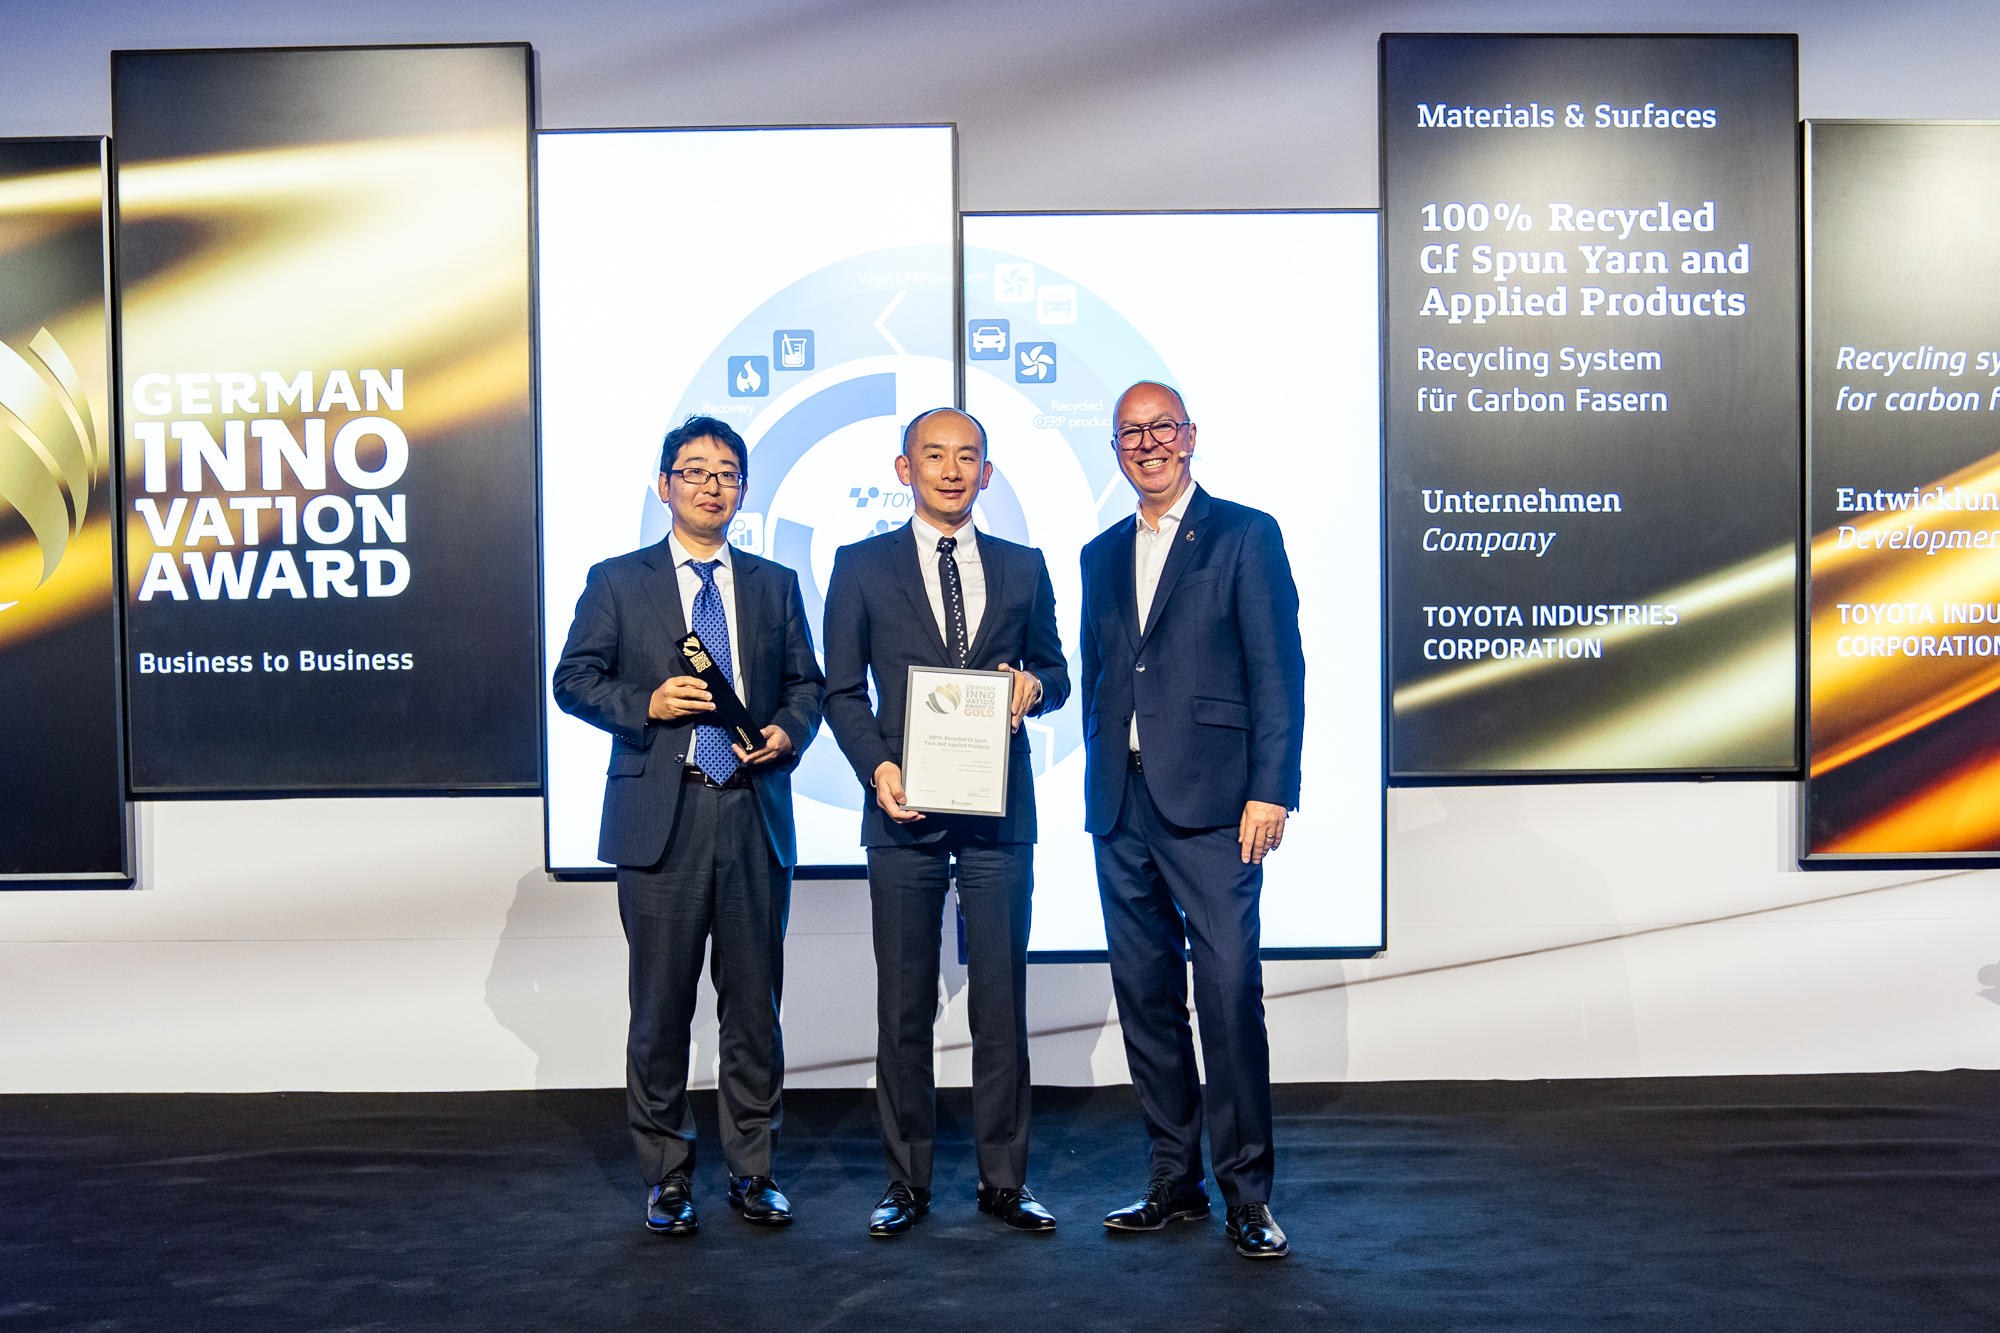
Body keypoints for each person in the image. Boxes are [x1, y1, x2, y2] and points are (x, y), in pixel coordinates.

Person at [552, 414, 824, 1236]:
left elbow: (807, 686)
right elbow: (574, 679)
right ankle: (667, 1176)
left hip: (751, 811)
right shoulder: (617, 580)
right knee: (660, 1010)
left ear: (743, 489)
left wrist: (787, 732)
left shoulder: (774, 583)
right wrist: (647, 702)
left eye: (727, 472)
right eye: (696, 470)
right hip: (659, 820)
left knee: (754, 1011)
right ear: (665, 483)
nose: (712, 484)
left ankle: (753, 1171)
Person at [822, 406, 1069, 1237]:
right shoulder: (860, 566)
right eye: (935, 455)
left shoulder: (1025, 566)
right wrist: (877, 768)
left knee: (1001, 1003)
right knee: (903, 1005)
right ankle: (907, 1181)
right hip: (904, 810)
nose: (952, 470)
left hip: (1000, 815)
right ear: (906, 469)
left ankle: (1005, 1181)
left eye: (968, 457)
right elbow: (840, 690)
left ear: (987, 473)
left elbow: (1057, 670)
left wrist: (1035, 685)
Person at [1078, 381, 1305, 1260]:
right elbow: (1104, 673)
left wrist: (1271, 788)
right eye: (1131, 433)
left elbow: (1277, 668)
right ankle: (1174, 1181)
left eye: (1161, 428)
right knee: (1146, 999)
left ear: (1190, 435)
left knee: (1227, 994)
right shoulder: (1099, 552)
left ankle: (1248, 1194)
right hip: (1121, 804)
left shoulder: (1246, 534)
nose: (1148, 444)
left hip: (1216, 806)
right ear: (1115, 448)